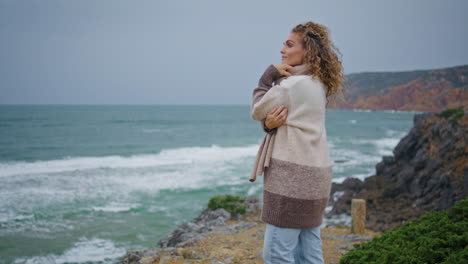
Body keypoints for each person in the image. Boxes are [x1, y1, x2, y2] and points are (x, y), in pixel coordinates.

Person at [250, 21, 345, 263]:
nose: (282, 50)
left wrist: (267, 77)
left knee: (277, 256)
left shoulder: (291, 85)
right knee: (309, 252)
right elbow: (286, 121)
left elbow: (258, 110)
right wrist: (269, 125)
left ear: (308, 51)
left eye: (289, 45)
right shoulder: (318, 84)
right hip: (316, 178)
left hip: (291, 181)